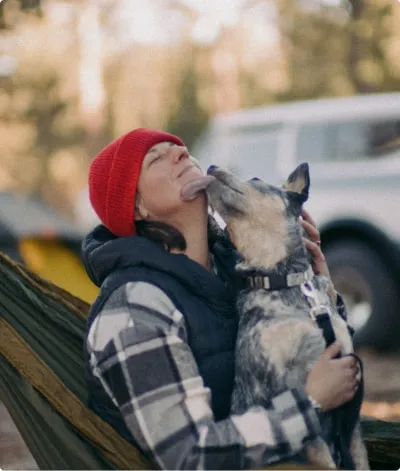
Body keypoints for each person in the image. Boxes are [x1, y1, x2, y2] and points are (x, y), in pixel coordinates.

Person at [82, 128, 359, 470]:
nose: (180, 154)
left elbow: (326, 362)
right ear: (136, 206)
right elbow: (189, 456)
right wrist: (310, 404)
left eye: (179, 148)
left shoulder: (235, 268)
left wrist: (315, 285)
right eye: (156, 158)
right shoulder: (134, 308)